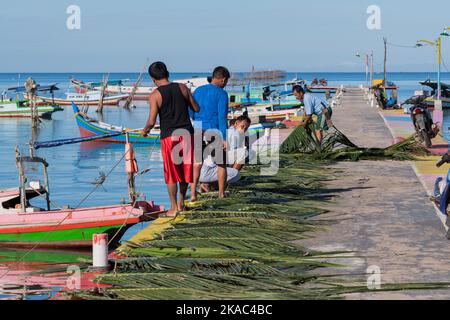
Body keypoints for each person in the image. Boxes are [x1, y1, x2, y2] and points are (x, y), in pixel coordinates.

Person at [142, 62, 200, 217]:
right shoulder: (182, 87)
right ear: (167, 73)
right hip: (187, 134)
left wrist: (145, 132)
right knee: (185, 170)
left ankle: (173, 208)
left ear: (153, 78)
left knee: (172, 173)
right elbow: (196, 108)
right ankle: (182, 202)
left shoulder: (155, 95)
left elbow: (151, 121)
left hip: (170, 137)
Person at [190, 66, 231, 202]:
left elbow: (191, 112)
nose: (225, 85)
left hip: (197, 128)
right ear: (223, 79)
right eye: (226, 82)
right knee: (221, 163)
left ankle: (193, 194)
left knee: (197, 163)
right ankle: (221, 194)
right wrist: (225, 138)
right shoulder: (221, 93)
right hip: (215, 130)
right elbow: (222, 117)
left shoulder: (198, 90)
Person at [198, 114, 252, 193]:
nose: (244, 129)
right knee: (244, 154)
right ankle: (219, 183)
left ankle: (214, 182)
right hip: (212, 164)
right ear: (236, 123)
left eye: (246, 128)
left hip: (206, 165)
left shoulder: (232, 132)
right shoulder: (233, 133)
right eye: (243, 126)